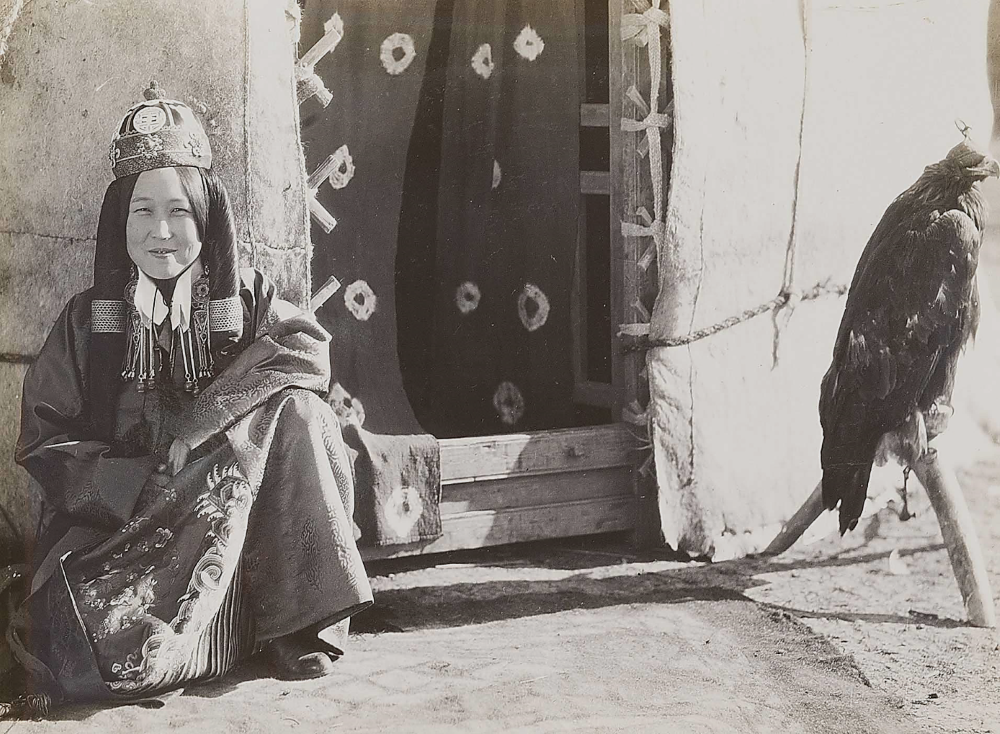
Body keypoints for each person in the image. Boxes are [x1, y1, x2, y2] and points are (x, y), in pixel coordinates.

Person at [8, 82, 372, 709]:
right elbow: (44, 437)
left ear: (206, 217)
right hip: (131, 524)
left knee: (297, 411)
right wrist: (134, 478)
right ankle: (216, 637)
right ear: (119, 221)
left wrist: (203, 421)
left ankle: (294, 623)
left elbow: (306, 349)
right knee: (98, 650)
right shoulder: (85, 322)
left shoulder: (248, 300)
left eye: (178, 211)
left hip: (239, 527)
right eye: (141, 212)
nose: (161, 232)